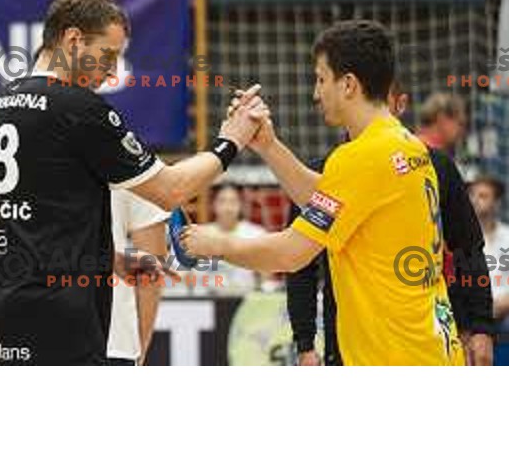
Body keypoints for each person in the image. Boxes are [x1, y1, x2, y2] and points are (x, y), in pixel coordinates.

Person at [0, 0, 265, 365]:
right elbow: (171, 190)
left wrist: (107, 259)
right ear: (73, 39)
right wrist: (230, 141)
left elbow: (31, 222)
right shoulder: (77, 108)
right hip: (57, 327)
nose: (111, 72)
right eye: (106, 56)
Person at [182, 19, 465, 366]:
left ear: (348, 84)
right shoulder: (407, 144)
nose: (315, 94)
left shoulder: (359, 158)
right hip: (430, 346)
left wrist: (214, 243)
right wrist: (269, 146)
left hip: (394, 355)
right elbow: (332, 201)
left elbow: (290, 254)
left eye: (320, 79)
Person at [286, 81, 493, 366]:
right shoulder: (324, 173)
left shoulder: (434, 164)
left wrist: (481, 325)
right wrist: (305, 343)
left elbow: (468, 248)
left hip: (426, 337)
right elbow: (299, 265)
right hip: (352, 344)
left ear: (399, 104)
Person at [107, 190, 169, 365]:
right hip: (113, 338)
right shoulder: (135, 167)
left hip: (34, 331)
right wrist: (139, 352)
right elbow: (152, 272)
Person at [199, 184, 264, 295]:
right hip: (209, 297)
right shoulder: (201, 234)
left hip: (245, 298)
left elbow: (266, 274)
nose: (228, 207)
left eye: (233, 201)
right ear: (213, 205)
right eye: (222, 201)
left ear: (241, 205)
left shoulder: (256, 234)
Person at [468, 175, 509, 324]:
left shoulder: (507, 236)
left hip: (503, 314)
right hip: (471, 314)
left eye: (483, 196)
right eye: (472, 195)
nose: (474, 200)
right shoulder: (460, 239)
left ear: (497, 203)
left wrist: (501, 306)